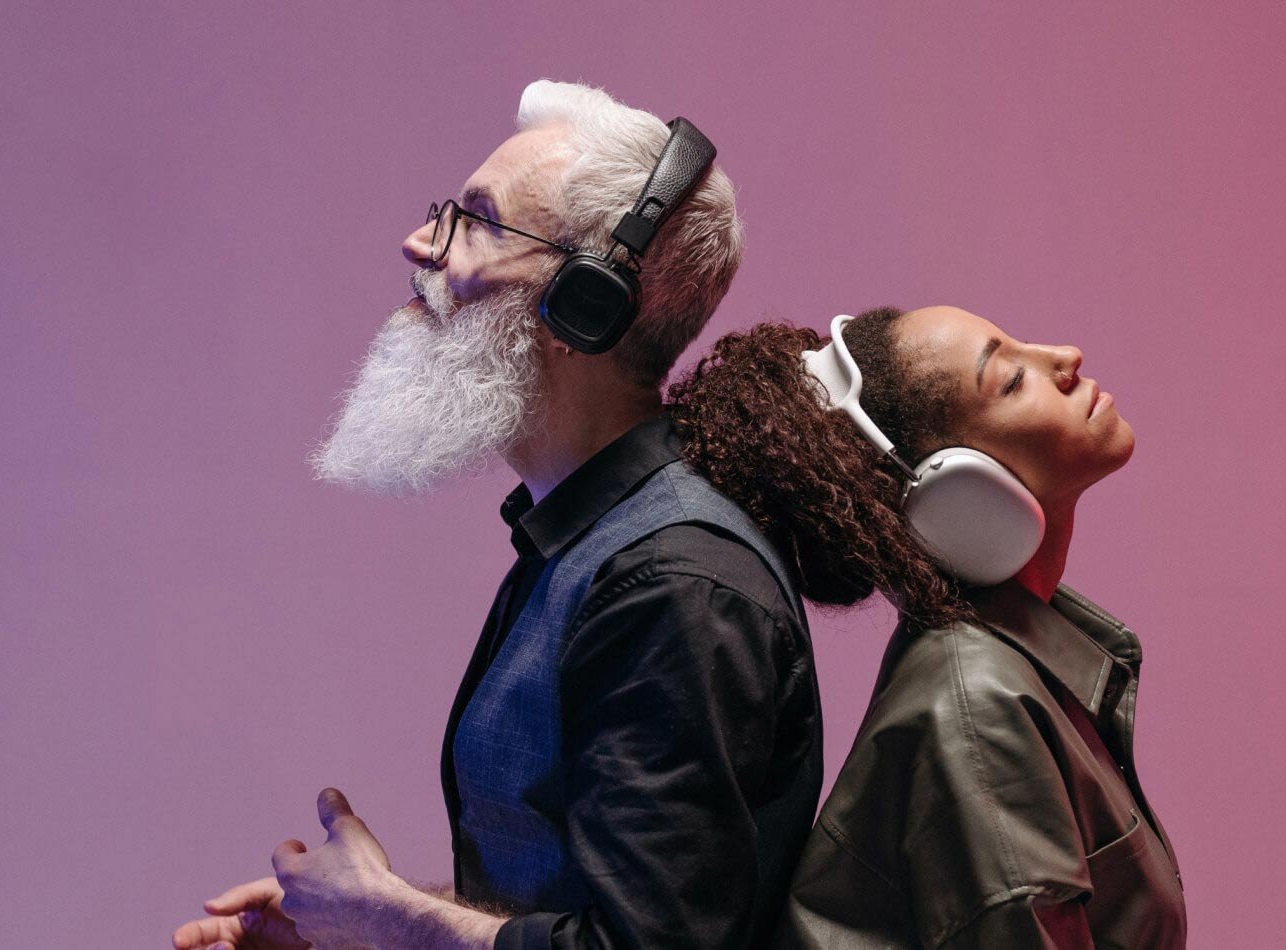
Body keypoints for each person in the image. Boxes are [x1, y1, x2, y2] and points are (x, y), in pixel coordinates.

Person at [170, 81, 821, 950]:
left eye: (477, 222)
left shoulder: (672, 586)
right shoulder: (591, 544)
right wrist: (354, 929)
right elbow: (576, 897)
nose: (419, 243)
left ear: (583, 304)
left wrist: (385, 916)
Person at [666, 306, 1186, 949]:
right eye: (1010, 379)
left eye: (1022, 346)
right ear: (960, 491)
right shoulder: (979, 706)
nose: (1064, 357)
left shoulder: (1009, 666)